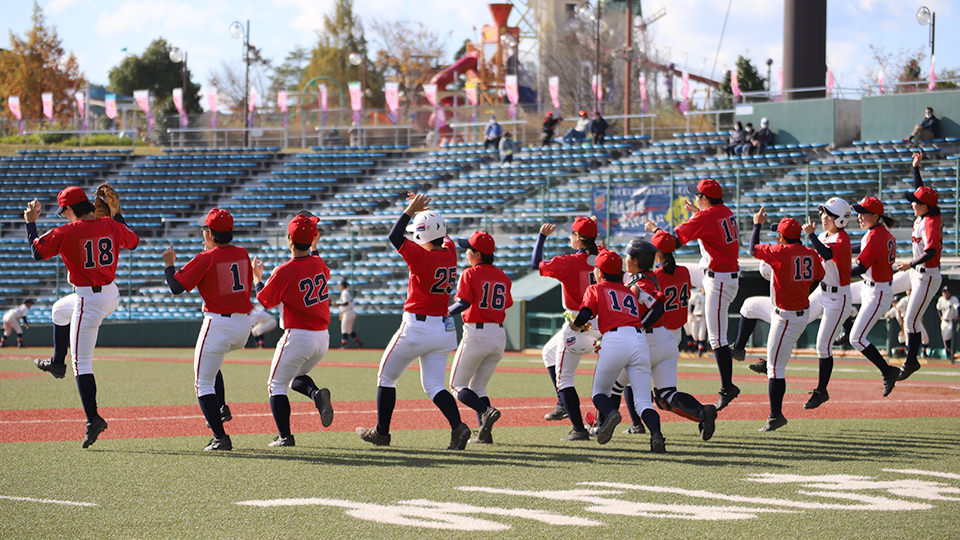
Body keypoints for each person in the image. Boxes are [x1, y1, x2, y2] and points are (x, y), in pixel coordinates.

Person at [25, 186, 139, 448]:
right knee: (58, 310)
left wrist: (31, 224)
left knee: (82, 364)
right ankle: (56, 363)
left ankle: (93, 418)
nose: (63, 216)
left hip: (89, 299)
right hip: (110, 293)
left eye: (63, 211)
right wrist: (117, 214)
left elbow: (36, 252)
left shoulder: (67, 231)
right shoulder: (110, 224)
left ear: (70, 209)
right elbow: (133, 242)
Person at [356, 193, 472, 450]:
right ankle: (458, 426)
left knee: (386, 377)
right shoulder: (450, 251)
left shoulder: (423, 257)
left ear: (421, 235)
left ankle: (382, 433)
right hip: (443, 329)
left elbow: (394, 237)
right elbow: (447, 237)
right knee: (433, 386)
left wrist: (410, 210)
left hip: (417, 328)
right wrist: (426, 215)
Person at [644, 178, 740, 412]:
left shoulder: (705, 217)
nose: (695, 198)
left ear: (705, 199)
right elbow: (712, 224)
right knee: (675, 273)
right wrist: (698, 212)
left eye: (698, 196)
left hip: (719, 280)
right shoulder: (725, 211)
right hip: (716, 271)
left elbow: (669, 243)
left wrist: (655, 230)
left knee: (717, 339)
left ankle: (728, 387)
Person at [162, 208, 254, 451]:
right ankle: (221, 407)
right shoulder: (243, 253)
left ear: (209, 233)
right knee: (212, 367)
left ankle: (220, 437)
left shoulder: (206, 258)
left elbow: (175, 287)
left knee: (202, 384)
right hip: (244, 325)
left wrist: (169, 265)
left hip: (218, 323)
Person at [571, 249, 666, 453]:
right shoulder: (629, 289)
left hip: (615, 339)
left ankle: (611, 413)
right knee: (643, 401)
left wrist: (575, 326)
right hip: (639, 339)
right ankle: (657, 435)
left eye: (597, 268)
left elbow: (586, 313)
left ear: (601, 273)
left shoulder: (596, 288)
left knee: (599, 392)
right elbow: (656, 304)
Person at [252, 215, 335, 447]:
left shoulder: (284, 270)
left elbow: (265, 301)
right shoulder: (319, 263)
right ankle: (315, 394)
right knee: (293, 378)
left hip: (298, 336)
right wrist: (315, 248)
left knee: (275, 385)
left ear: (289, 239)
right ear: (312, 240)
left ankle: (285, 437)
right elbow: (322, 269)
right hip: (322, 338)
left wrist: (258, 279)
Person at [749, 211, 824, 431]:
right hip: (799, 313)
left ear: (782, 237)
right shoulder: (810, 253)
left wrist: (756, 225)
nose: (776, 238)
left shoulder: (780, 252)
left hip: (787, 317)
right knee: (750, 308)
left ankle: (775, 416)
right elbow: (818, 275)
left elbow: (752, 248)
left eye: (777, 234)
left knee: (775, 369)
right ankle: (775, 413)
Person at [530, 217, 600, 440]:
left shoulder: (569, 262)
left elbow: (535, 264)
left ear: (579, 238)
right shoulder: (603, 258)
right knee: (548, 352)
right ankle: (563, 404)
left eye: (573, 234)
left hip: (577, 325)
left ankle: (579, 429)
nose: (570, 237)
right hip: (603, 324)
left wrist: (541, 238)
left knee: (565, 379)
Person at [647, 232, 718, 440]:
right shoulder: (684, 272)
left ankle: (624, 423)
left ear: (657, 253)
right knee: (664, 394)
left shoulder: (655, 276)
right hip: (674, 334)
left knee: (621, 380)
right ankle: (700, 412)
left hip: (658, 332)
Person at [448, 231, 513, 444]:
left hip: (476, 332)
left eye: (468, 249)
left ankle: (485, 410)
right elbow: (507, 303)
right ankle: (486, 436)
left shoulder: (470, 273)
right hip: (498, 334)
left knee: (457, 385)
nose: (466, 253)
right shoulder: (503, 276)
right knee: (478, 388)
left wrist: (445, 312)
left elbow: (464, 303)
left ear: (477, 253)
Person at [896, 151, 943, 380]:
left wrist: (910, 263)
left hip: (927, 276)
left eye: (916, 202)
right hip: (915, 272)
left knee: (912, 320)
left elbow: (932, 251)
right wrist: (916, 168)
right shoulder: (925, 213)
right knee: (883, 285)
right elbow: (921, 192)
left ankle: (911, 361)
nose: (913, 204)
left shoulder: (931, 223)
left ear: (925, 206)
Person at [849, 196, 901, 396]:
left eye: (863, 213)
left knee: (857, 339)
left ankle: (888, 371)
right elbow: (859, 248)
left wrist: (838, 272)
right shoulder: (879, 232)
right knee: (836, 295)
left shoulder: (875, 235)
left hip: (877, 292)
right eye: (859, 212)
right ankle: (847, 326)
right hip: (869, 286)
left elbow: (861, 266)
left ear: (876, 215)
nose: (859, 216)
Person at [337, 280, 362, 348]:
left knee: (344, 329)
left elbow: (346, 303)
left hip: (348, 312)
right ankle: (358, 342)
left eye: (340, 285)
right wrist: (342, 312)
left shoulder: (344, 292)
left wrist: (337, 304)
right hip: (350, 312)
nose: (339, 286)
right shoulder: (346, 292)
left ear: (342, 286)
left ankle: (344, 345)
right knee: (348, 330)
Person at [936, 287, 958, 360]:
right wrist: (940, 316)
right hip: (944, 321)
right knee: (945, 338)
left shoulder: (953, 299)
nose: (945, 293)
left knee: (948, 336)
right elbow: (938, 308)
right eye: (944, 292)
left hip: (952, 322)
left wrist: (957, 316)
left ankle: (951, 353)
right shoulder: (941, 299)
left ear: (949, 293)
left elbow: (958, 308)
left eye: (946, 292)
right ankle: (949, 354)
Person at [686, 287, 707, 356]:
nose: (704, 290)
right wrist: (691, 313)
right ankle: (695, 348)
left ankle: (700, 351)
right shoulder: (697, 295)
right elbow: (691, 303)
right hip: (695, 316)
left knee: (701, 335)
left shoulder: (708, 297)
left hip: (703, 317)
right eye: (703, 288)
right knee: (694, 334)